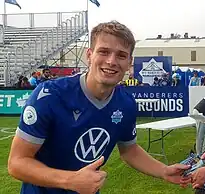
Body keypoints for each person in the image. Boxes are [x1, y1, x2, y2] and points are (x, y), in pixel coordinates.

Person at [8, 21, 191, 194]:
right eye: (104, 52)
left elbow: (129, 150)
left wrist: (163, 171)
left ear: (129, 63)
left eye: (121, 55)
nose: (111, 61)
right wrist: (70, 180)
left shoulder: (125, 103)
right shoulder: (50, 96)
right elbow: (17, 162)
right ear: (89, 55)